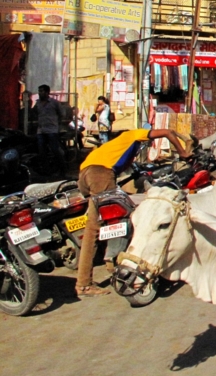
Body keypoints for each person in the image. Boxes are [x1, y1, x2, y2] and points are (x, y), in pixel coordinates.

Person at [75, 127, 192, 297]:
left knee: (97, 225)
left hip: (86, 174)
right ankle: (96, 275)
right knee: (117, 219)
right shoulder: (134, 135)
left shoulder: (119, 146)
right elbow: (168, 133)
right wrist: (182, 152)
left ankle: (87, 280)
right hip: (101, 174)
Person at [34, 84, 66, 176]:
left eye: (42, 91)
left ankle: (62, 168)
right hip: (41, 130)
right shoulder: (38, 103)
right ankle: (46, 170)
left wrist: (57, 124)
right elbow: (35, 113)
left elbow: (61, 114)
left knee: (55, 150)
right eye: (39, 91)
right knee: (42, 152)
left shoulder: (54, 102)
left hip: (52, 130)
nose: (40, 93)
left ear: (47, 92)